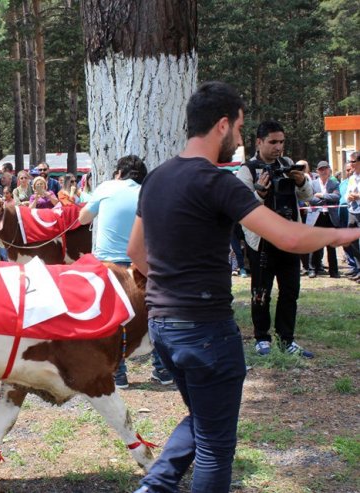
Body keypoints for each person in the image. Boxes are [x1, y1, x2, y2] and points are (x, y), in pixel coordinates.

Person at [128, 81, 360, 493]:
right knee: (217, 446)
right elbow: (288, 237)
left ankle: (154, 487)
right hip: (206, 333)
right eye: (238, 128)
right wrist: (343, 236)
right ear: (221, 125)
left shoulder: (158, 177)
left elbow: (135, 251)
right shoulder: (217, 182)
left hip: (163, 326)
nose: (239, 139)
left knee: (203, 417)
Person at [79, 155, 173, 389]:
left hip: (108, 266)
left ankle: (117, 373)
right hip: (142, 264)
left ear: (118, 173)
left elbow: (83, 219)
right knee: (155, 315)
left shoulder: (107, 187)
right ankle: (162, 369)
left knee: (110, 319)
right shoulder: (150, 192)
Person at [235, 120, 314, 358]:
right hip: (262, 242)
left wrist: (301, 181)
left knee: (290, 290)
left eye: (281, 142)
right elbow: (241, 208)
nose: (278, 147)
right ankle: (261, 338)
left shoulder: (288, 164)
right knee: (261, 291)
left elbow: (307, 196)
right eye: (273, 142)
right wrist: (259, 193)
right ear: (259, 142)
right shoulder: (246, 171)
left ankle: (286, 339)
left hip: (288, 238)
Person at [306, 161, 340, 278]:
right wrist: (326, 198)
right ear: (317, 171)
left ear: (329, 170)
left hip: (329, 218)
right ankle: (312, 269)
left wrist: (321, 195)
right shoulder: (312, 184)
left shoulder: (334, 183)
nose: (323, 171)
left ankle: (334, 271)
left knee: (331, 246)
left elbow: (336, 197)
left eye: (325, 169)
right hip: (316, 217)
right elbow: (310, 199)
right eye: (321, 169)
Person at [345, 151, 360, 282]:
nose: (350, 164)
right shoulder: (351, 178)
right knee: (353, 243)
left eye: (352, 162)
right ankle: (358, 269)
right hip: (352, 212)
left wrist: (358, 196)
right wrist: (349, 197)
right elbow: (346, 195)